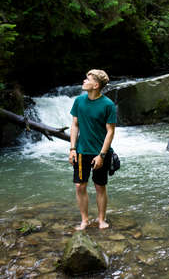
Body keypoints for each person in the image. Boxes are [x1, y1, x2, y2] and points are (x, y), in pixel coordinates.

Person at [69, 69, 117, 230]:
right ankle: (84, 220)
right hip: (82, 151)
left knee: (100, 186)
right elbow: (75, 125)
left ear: (95, 85)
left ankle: (101, 219)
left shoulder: (108, 105)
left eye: (87, 79)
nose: (83, 81)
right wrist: (72, 148)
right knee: (79, 186)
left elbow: (110, 131)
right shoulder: (79, 101)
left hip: (100, 152)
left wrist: (102, 155)